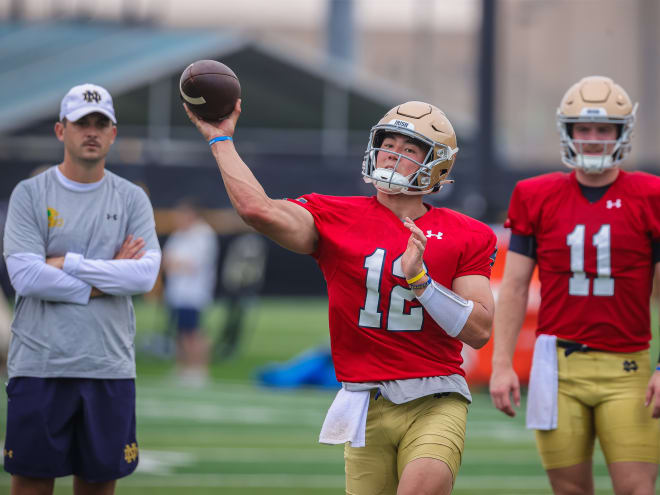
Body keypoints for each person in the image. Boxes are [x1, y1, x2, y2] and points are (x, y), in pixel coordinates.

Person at [184, 99, 497, 494]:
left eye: (409, 149)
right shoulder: (333, 216)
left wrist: (421, 280)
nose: (392, 155)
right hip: (365, 403)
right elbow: (256, 210)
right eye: (388, 144)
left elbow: (480, 330)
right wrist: (220, 138)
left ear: (436, 164)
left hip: (435, 397)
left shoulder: (467, 233)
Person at [489, 75, 660, 495]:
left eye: (604, 129)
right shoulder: (534, 194)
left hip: (628, 367)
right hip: (555, 368)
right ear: (568, 132)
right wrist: (502, 363)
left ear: (623, 133)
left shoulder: (651, 194)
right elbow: (512, 287)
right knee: (569, 491)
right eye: (584, 128)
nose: (594, 139)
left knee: (637, 490)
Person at [2, 83, 161, 494]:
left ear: (113, 133)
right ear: (61, 131)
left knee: (98, 483)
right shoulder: (30, 194)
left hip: (107, 366)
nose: (90, 131)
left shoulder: (132, 199)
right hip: (40, 365)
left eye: (100, 123)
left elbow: (143, 276)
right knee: (32, 483)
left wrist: (68, 263)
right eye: (81, 123)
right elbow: (26, 277)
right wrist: (107, 278)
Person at [162, 197, 218, 384]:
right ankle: (183, 367)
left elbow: (193, 264)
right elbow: (166, 259)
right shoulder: (179, 234)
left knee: (194, 332)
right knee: (180, 331)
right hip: (177, 292)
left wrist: (176, 263)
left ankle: (199, 369)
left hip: (194, 293)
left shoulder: (203, 234)